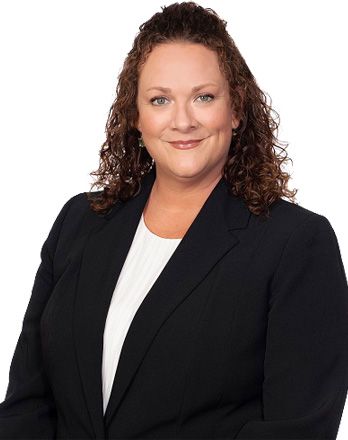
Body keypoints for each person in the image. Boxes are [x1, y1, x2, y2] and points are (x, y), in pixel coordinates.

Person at [1, 1, 348, 439]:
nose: (182, 121)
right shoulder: (79, 222)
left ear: (236, 109)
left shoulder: (295, 243)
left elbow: (296, 429)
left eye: (204, 97)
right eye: (160, 99)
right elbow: (26, 405)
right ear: (136, 116)